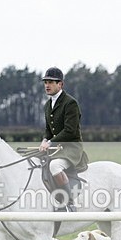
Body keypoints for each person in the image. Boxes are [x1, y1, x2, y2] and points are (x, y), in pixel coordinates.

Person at [38, 67, 88, 212]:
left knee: (55, 167)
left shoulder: (70, 103)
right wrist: (44, 140)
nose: (47, 85)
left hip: (71, 148)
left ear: (60, 84)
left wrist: (50, 142)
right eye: (46, 82)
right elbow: (48, 130)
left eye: (51, 82)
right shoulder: (47, 105)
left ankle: (69, 202)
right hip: (55, 148)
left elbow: (70, 130)